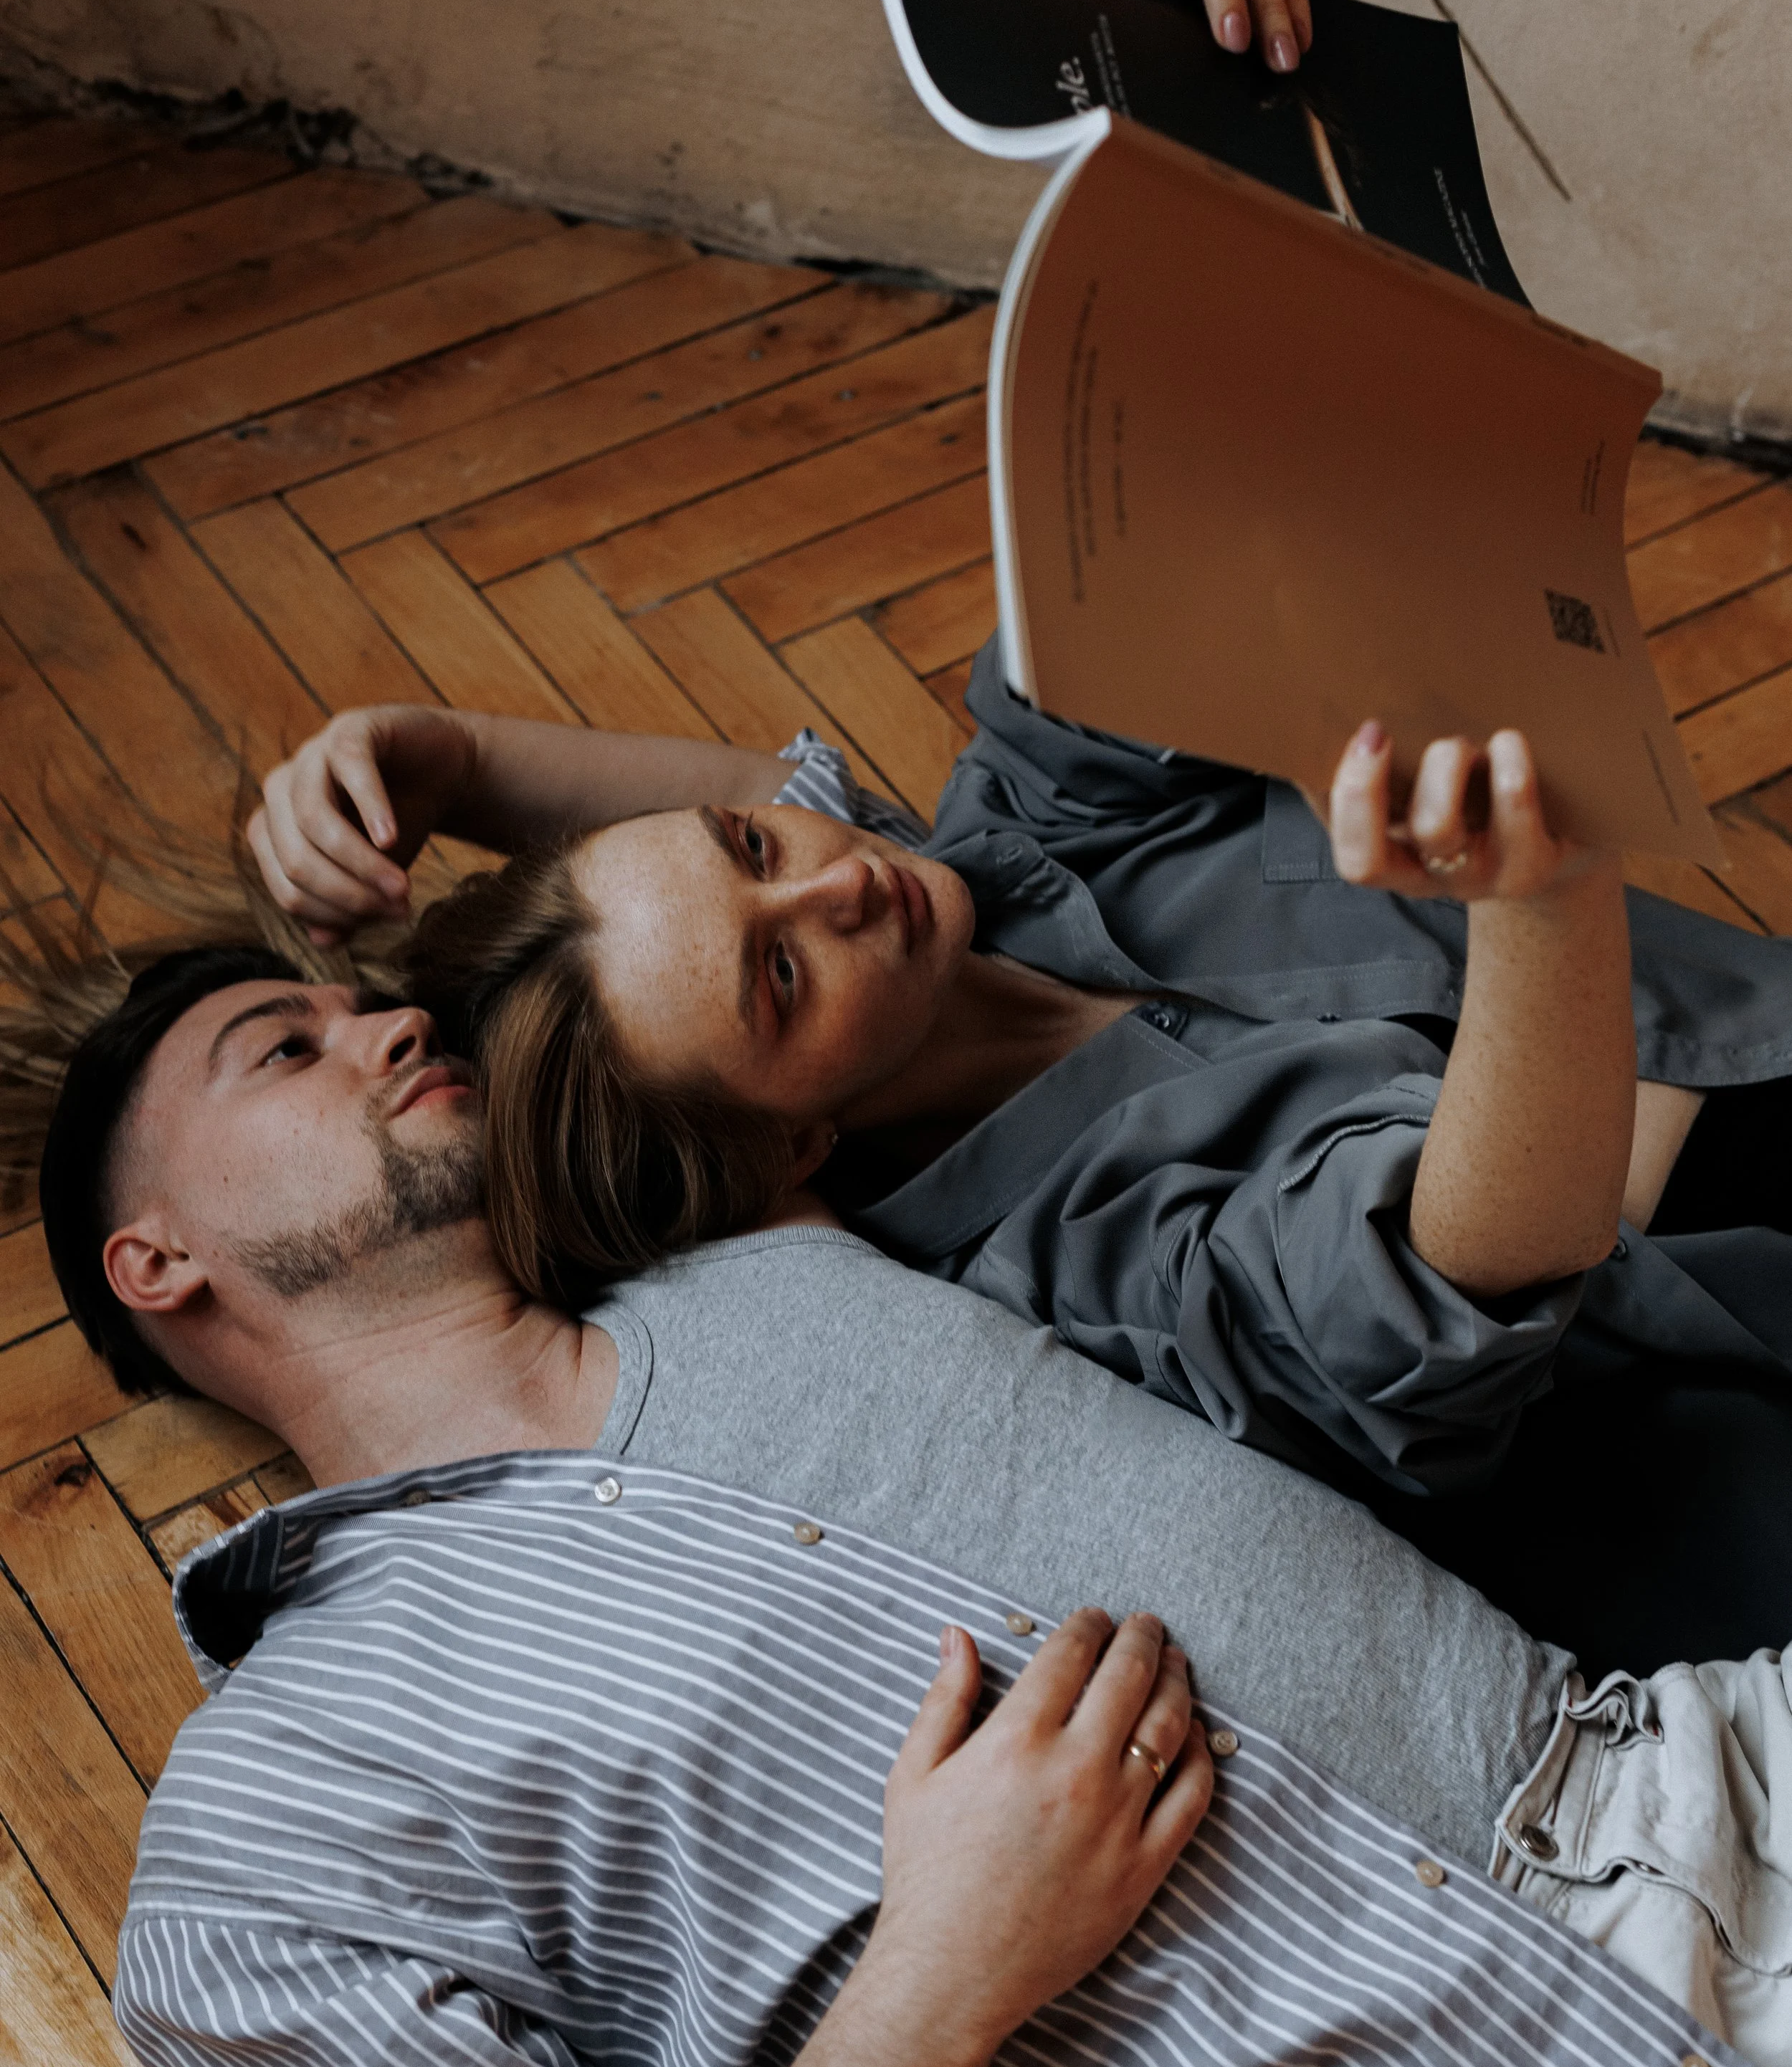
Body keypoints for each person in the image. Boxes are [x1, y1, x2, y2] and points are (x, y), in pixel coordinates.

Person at [4, 896, 1785, 2067]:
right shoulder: (266, 1841)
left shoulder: (753, 1241)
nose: (384, 1026)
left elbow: (844, 895)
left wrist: (456, 761)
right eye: (285, 1048)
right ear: (155, 1260)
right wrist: (939, 1979)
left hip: (1702, 1778)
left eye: (369, 1002)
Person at [249, 667, 1792, 1665]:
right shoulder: (1072, 1278)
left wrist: (442, 760)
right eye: (777, 982)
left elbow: (1122, 566)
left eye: (753, 847)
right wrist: (1539, 909)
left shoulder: (1033, 825)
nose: (844, 884)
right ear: (793, 1144)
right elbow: (1449, 1275)